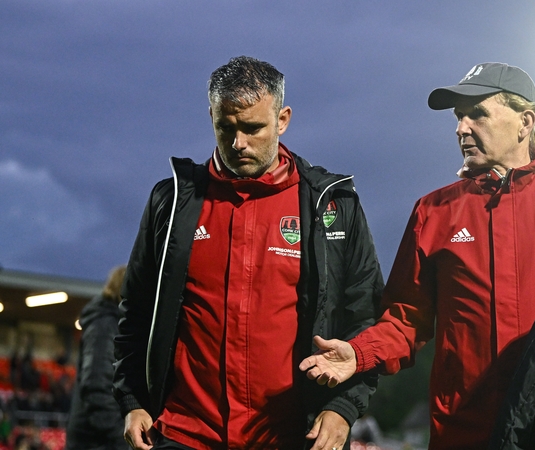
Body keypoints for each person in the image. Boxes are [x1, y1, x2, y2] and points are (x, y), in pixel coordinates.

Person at [300, 62, 535, 449]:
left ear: (525, 122)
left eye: (477, 114)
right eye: (459, 117)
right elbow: (405, 320)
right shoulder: (433, 211)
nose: (461, 128)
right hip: (464, 431)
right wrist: (358, 353)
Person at [113, 56, 384, 450]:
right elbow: (135, 311)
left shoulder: (332, 205)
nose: (238, 143)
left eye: (253, 128)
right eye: (226, 128)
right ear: (211, 117)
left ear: (283, 119)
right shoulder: (171, 202)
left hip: (292, 437)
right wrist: (133, 400)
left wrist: (343, 407)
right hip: (185, 434)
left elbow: (364, 315)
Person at [66, 265, 128, 450]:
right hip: (95, 441)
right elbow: (96, 387)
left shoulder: (111, 322)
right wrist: (121, 439)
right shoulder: (105, 324)